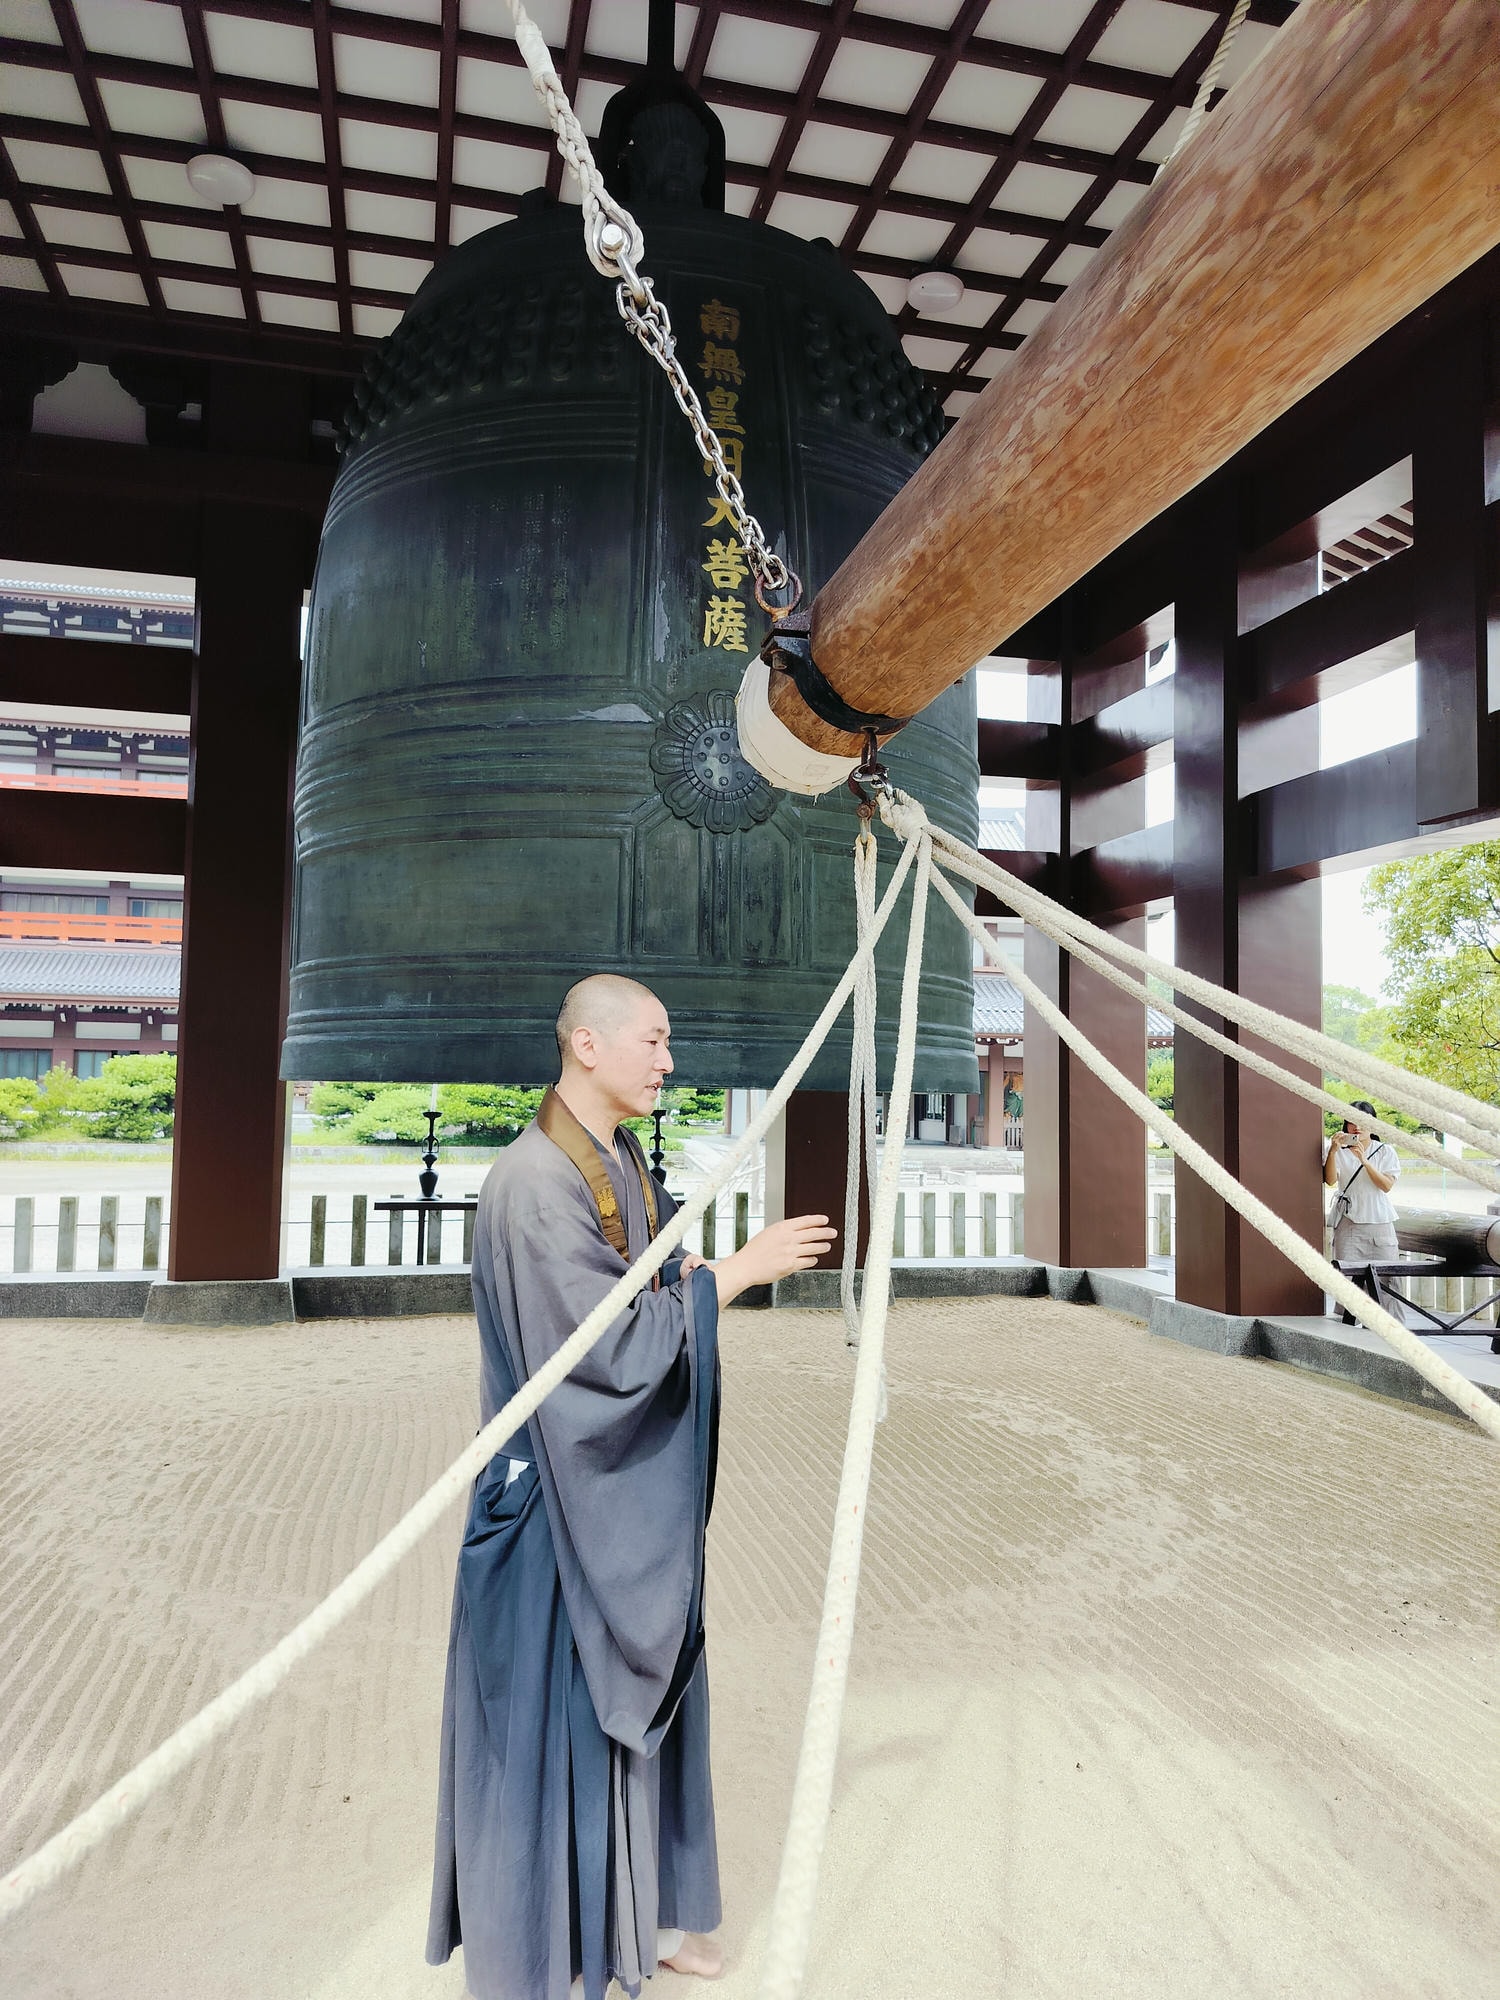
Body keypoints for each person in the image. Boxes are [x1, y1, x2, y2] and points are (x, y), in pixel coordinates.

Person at [427, 972, 836, 2000]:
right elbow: (598, 1352)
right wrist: (733, 1274)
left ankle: (642, 1922)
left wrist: (689, 1276)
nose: (667, 1060)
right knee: (559, 1726)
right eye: (652, 1041)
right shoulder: (532, 1181)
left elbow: (642, 1284)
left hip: (607, 1490)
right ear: (586, 1044)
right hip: (555, 1505)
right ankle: (554, 1954)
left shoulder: (617, 1160)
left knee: (654, 1702)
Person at [1324, 1099, 1402, 1270]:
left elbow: (1386, 1186)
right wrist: (1332, 1151)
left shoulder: (1385, 1151)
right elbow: (1330, 1180)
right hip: (1349, 1222)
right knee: (1347, 1276)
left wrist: (1364, 1161)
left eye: (1363, 1121)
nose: (1357, 1127)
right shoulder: (1339, 1151)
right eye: (1352, 1121)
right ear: (1346, 1124)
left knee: (1386, 1276)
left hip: (1379, 1221)